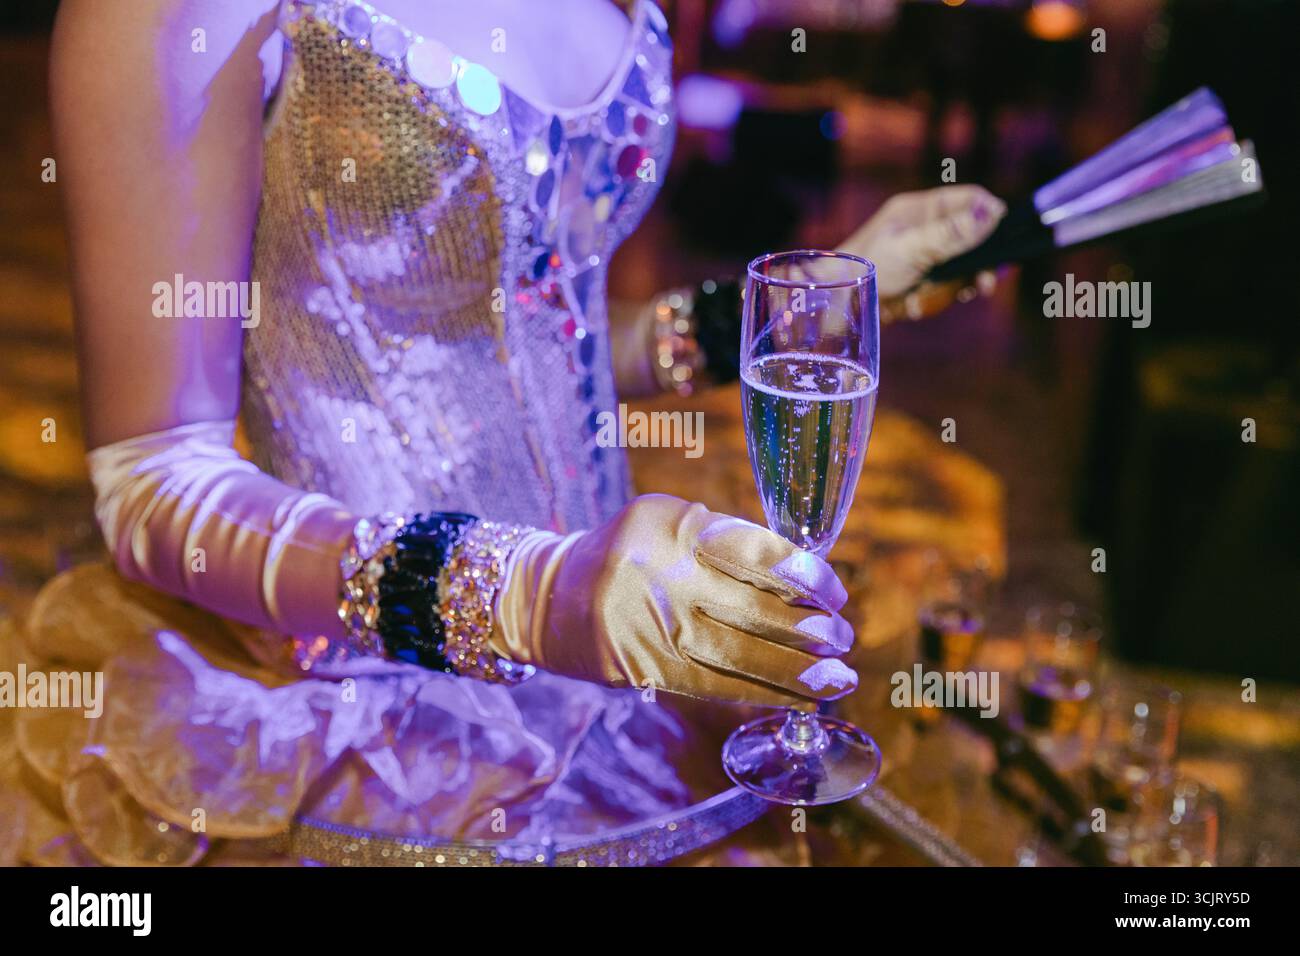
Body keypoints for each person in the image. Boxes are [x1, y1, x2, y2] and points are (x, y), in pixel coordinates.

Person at [6, 0, 1004, 865]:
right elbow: (152, 480)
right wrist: (531, 595)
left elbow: (522, 338)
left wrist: (787, 323)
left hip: (622, 685)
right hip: (371, 722)